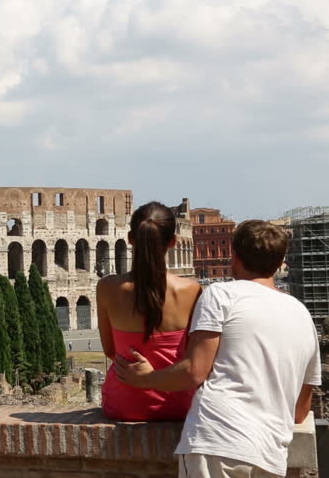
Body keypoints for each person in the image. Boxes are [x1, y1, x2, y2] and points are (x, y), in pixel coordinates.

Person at [116, 220, 321, 478]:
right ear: (281, 261)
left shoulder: (220, 294)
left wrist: (145, 378)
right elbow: (300, 412)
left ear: (234, 256)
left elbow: (194, 371)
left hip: (217, 442)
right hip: (271, 455)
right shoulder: (301, 314)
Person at [97, 201, 201, 421]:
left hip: (123, 404)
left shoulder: (107, 288)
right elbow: (194, 358)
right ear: (173, 242)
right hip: (179, 404)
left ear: (131, 239)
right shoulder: (191, 290)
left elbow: (110, 350)